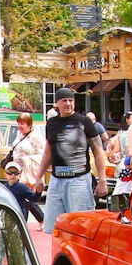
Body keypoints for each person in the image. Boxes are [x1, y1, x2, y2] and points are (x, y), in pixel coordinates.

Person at [42, 87, 103, 229]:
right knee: (55, 226)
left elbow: (98, 151)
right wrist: (39, 177)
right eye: (64, 101)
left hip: (78, 180)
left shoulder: (84, 122)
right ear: (57, 104)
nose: (68, 103)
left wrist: (102, 181)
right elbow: (48, 152)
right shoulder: (51, 123)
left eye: (71, 100)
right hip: (56, 180)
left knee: (79, 226)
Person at [10, 111, 47, 223]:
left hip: (29, 172)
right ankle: (41, 219)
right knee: (25, 197)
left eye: (22, 124)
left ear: (29, 125)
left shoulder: (36, 137)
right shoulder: (19, 134)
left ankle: (25, 222)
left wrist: (27, 159)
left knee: (25, 197)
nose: (19, 126)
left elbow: (43, 155)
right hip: (17, 170)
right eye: (18, 123)